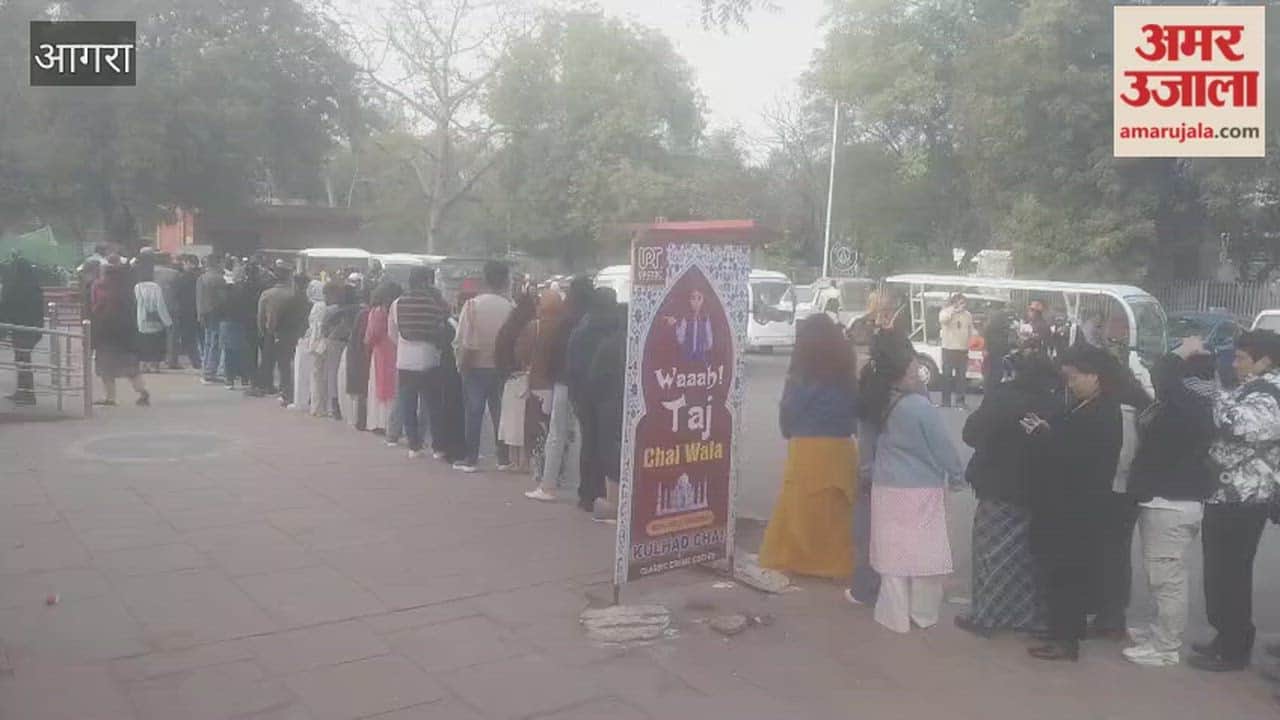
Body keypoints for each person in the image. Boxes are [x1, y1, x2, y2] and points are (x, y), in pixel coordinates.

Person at [857, 331, 964, 633]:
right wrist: (956, 477)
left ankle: (893, 615)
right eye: (914, 367)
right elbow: (942, 447)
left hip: (885, 487)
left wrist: (866, 473)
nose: (918, 371)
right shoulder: (919, 407)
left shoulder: (872, 400)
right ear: (903, 372)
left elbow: (866, 445)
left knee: (892, 554)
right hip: (921, 489)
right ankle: (923, 615)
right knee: (925, 556)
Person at [1024, 344, 1125, 661]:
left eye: (1075, 377)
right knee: (1061, 572)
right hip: (1068, 503)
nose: (1070, 384)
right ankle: (1061, 629)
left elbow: (1077, 457)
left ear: (1094, 376)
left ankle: (1065, 638)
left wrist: (1045, 436)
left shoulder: (1102, 411)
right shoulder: (1086, 406)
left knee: (1067, 574)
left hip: (1078, 506)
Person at [1187, 330, 1280, 672]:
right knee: (1219, 571)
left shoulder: (1269, 393)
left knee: (1230, 573)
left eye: (1242, 358)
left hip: (1244, 497)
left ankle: (1234, 646)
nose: (1235, 364)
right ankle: (1225, 635)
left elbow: (1234, 425)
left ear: (1265, 360)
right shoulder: (1253, 388)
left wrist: (1216, 389)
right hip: (1228, 493)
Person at [1120, 348, 1218, 667]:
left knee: (1167, 578)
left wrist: (1177, 353)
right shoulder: (1192, 404)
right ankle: (1158, 633)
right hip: (1169, 498)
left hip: (1172, 501)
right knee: (1161, 575)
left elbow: (1163, 376)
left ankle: (1166, 647)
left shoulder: (1189, 405)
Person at [954, 350, 1059, 637]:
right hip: (1038, 492)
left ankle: (987, 617)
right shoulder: (1056, 400)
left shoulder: (1002, 397)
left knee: (991, 555)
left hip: (998, 488)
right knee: (1027, 559)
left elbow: (971, 433)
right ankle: (1027, 616)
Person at [759, 314, 858, 579]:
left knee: (798, 507)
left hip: (806, 447)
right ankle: (836, 564)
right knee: (837, 509)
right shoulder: (846, 371)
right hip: (840, 447)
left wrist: (789, 432)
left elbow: (789, 410)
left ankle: (798, 560)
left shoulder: (801, 373)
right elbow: (855, 410)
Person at [528, 275, 591, 501]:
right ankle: (588, 486)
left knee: (557, 432)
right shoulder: (590, 318)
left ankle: (548, 485)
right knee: (585, 435)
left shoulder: (567, 320)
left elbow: (555, 354)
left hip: (565, 382)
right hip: (588, 384)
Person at [455, 261, 515, 472]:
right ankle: (503, 458)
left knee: (473, 411)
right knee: (499, 411)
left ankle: (471, 458)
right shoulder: (510, 308)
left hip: (474, 365)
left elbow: (461, 338)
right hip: (501, 367)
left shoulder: (472, 305)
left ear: (485, 279)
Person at [567, 287, 622, 510]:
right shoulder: (619, 327)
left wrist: (575, 395)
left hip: (585, 395)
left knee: (588, 443)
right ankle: (608, 492)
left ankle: (587, 493)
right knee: (608, 445)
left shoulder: (582, 328)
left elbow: (572, 366)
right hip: (611, 395)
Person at [391, 267, 450, 458]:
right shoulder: (436, 304)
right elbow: (443, 328)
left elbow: (393, 333)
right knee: (434, 405)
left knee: (408, 403)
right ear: (427, 282)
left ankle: (413, 445)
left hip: (405, 360)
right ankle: (438, 447)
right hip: (430, 359)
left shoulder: (397, 303)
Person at [585, 302, 628, 523]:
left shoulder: (609, 345)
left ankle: (614, 503)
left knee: (611, 453)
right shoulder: (643, 344)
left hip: (610, 406)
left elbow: (594, 379)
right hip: (633, 407)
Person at [522, 289, 566, 501]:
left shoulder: (535, 326)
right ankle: (558, 473)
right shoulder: (566, 326)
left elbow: (521, 352)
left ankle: (542, 474)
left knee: (540, 432)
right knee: (559, 431)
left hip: (538, 383)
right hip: (558, 384)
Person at [91, 264, 150, 407]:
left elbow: (97, 312)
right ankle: (142, 391)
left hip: (106, 336)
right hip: (126, 337)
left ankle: (110, 397)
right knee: (131, 368)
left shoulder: (103, 291)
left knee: (106, 368)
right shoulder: (127, 291)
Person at [496, 291, 538, 472]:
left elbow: (498, 351)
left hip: (510, 377)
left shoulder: (508, 327)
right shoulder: (533, 328)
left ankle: (513, 460)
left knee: (510, 421)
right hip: (527, 376)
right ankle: (525, 461)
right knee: (524, 421)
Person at [0, 258, 44, 405]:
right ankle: (24, 391)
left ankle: (27, 393)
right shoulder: (34, 287)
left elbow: (8, 305)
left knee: (22, 359)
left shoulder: (17, 287)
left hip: (23, 328)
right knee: (22, 359)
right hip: (33, 328)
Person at [365, 280, 403, 437]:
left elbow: (371, 336)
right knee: (395, 388)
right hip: (397, 350)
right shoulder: (398, 310)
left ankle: (379, 422)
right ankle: (394, 424)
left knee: (379, 386)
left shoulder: (377, 312)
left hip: (380, 351)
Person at [317, 283, 358, 420]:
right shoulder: (358, 309)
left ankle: (335, 405)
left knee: (332, 373)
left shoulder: (333, 310)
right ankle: (348, 405)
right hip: (352, 343)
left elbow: (323, 328)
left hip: (334, 342)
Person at [133, 260, 173, 373]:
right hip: (156, 320)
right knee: (156, 343)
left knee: (143, 343)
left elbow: (135, 303)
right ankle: (154, 365)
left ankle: (143, 365)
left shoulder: (137, 287)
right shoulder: (156, 287)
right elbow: (161, 304)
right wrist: (167, 321)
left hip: (142, 319)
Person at [293, 280, 325, 413]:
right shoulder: (320, 305)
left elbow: (315, 327)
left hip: (309, 343)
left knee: (304, 374)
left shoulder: (318, 306)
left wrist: (310, 343)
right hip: (313, 342)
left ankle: (301, 402)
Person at [196, 255, 228, 384]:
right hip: (216, 313)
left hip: (204, 313)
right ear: (217, 263)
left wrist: (200, 314)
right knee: (215, 343)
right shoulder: (219, 279)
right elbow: (223, 299)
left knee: (207, 342)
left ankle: (206, 370)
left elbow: (198, 298)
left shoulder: (201, 278)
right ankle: (210, 372)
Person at [938, 292, 973, 409]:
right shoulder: (946, 311)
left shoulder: (967, 315)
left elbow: (970, 330)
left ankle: (960, 401)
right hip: (948, 349)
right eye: (960, 302)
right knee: (947, 376)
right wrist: (953, 310)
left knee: (961, 377)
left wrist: (970, 342)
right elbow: (943, 320)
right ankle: (945, 402)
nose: (963, 305)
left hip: (962, 350)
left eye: (964, 302)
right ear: (954, 302)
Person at [151, 254, 181, 369]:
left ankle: (154, 361)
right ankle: (172, 360)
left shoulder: (149, 273)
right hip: (170, 305)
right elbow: (179, 291)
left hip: (152, 306)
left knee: (154, 334)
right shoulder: (174, 273)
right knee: (172, 334)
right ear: (167, 261)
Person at [172, 256, 202, 370]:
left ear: (189, 263)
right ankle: (199, 360)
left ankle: (196, 361)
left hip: (185, 310)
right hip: (197, 309)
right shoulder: (199, 276)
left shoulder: (182, 278)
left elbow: (176, 294)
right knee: (200, 337)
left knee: (189, 338)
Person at [982, 309, 1015, 391]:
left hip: (996, 352)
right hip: (994, 352)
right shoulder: (996, 328)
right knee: (993, 373)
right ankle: (991, 389)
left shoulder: (1001, 328)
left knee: (994, 373)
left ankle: (991, 389)